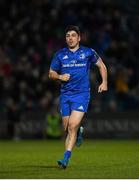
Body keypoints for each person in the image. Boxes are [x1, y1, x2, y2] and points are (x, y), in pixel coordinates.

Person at [49, 25, 108, 169]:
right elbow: (51, 73)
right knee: (67, 128)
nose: (70, 38)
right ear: (65, 39)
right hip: (65, 95)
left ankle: (65, 158)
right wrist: (60, 76)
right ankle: (80, 131)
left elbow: (102, 66)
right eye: (68, 35)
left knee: (72, 126)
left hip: (81, 94)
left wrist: (104, 82)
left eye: (73, 35)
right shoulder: (60, 55)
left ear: (79, 38)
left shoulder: (88, 52)